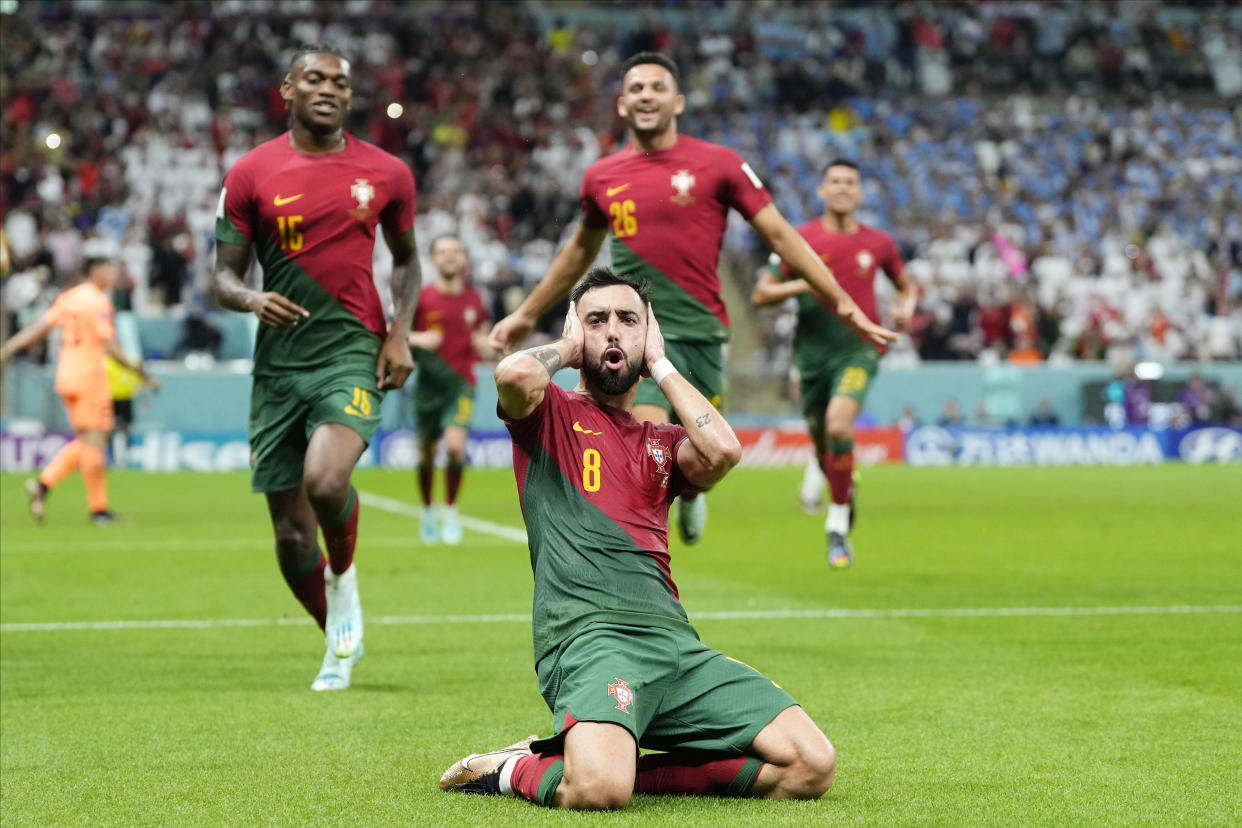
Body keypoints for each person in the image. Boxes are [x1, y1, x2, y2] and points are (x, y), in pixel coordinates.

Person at [441, 267, 837, 809]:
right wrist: (565, 345)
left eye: (628, 320)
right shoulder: (549, 413)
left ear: (648, 333)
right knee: (601, 791)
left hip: (675, 646)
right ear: (577, 332)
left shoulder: (664, 440)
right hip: (589, 639)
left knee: (810, 766)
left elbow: (723, 452)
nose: (612, 331)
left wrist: (660, 363)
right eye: (596, 320)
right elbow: (513, 375)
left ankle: (596, 760)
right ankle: (512, 768)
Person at [489, 52, 895, 548]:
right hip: (639, 335)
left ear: (677, 100)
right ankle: (635, 569)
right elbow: (579, 252)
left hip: (704, 335)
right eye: (636, 88)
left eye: (657, 87)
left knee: (704, 454)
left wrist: (842, 301)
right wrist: (526, 314)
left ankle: (691, 492)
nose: (646, 96)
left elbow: (781, 236)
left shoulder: (718, 164)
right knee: (639, 443)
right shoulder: (602, 176)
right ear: (621, 103)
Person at [208, 45, 421, 692]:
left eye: (340, 81)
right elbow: (221, 275)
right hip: (278, 367)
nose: (328, 88)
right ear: (287, 90)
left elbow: (408, 262)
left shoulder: (386, 173)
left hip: (351, 350)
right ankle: (336, 637)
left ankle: (345, 577)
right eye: (314, 79)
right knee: (290, 534)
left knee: (326, 482)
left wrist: (400, 334)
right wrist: (248, 297)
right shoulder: (250, 172)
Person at [751, 159, 916, 569]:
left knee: (840, 425)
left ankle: (837, 524)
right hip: (811, 358)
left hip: (860, 348)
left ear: (860, 193)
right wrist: (806, 281)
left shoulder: (878, 243)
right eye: (835, 181)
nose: (842, 188)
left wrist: (904, 306)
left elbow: (906, 285)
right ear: (821, 190)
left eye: (850, 183)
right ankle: (844, 487)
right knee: (826, 446)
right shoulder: (799, 240)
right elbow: (760, 294)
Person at [0, 255, 154, 525]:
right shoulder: (98, 302)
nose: (114, 275)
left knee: (86, 440)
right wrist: (139, 371)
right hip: (89, 377)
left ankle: (44, 486)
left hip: (66, 376)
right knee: (95, 441)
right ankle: (98, 511)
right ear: (95, 272)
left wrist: (6, 349)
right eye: (109, 269)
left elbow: (38, 328)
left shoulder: (69, 297)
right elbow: (111, 346)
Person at [407, 233, 491, 545]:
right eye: (442, 251)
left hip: (461, 384)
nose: (449, 256)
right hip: (428, 386)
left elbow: (482, 339)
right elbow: (395, 335)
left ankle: (451, 509)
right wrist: (419, 339)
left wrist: (486, 344)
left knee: (455, 447)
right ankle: (427, 509)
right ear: (433, 260)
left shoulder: (475, 301)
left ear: (464, 259)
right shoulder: (422, 297)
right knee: (426, 455)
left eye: (454, 251)